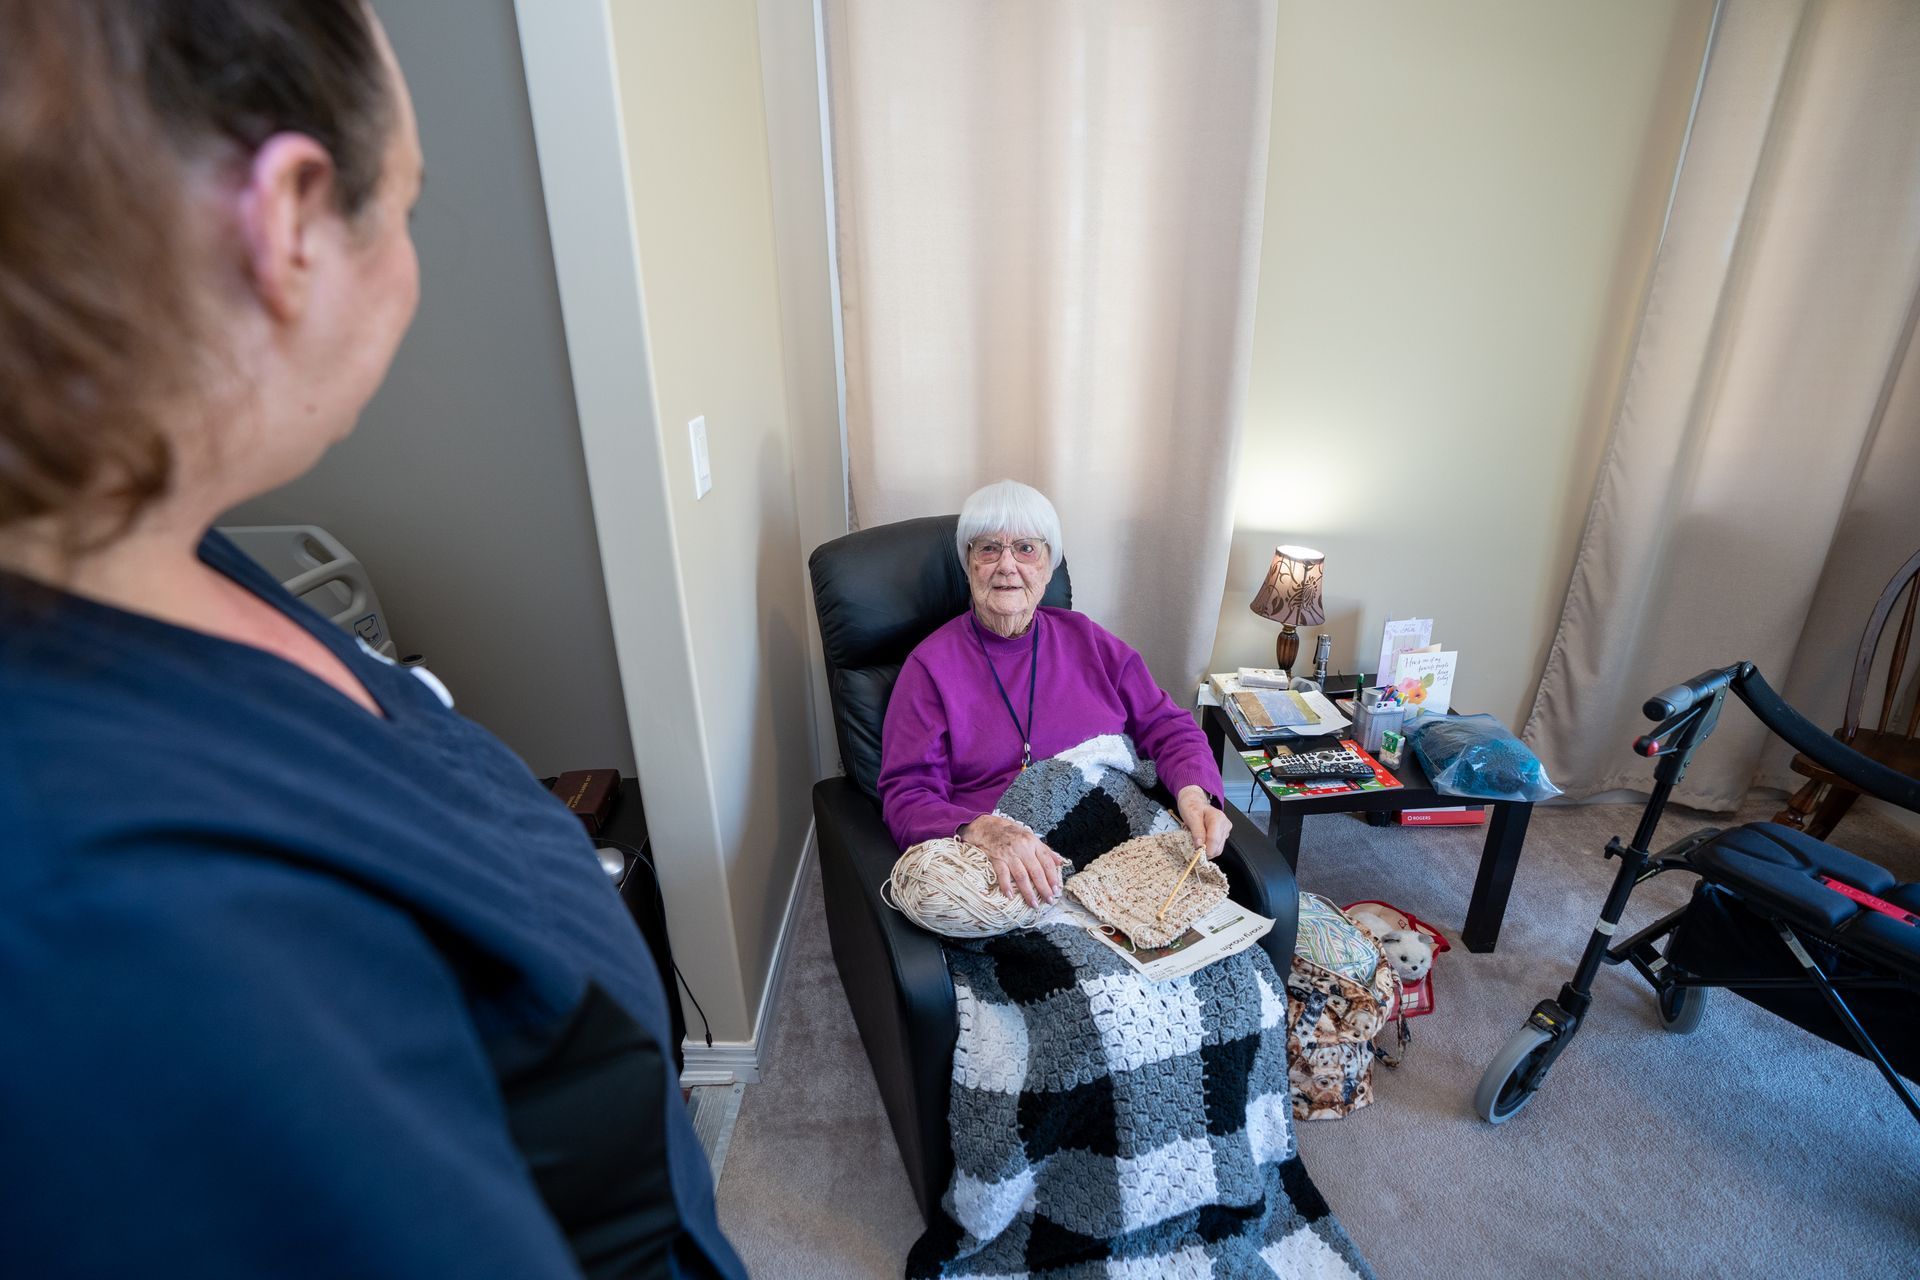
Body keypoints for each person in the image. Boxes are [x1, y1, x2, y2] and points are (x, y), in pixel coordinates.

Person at [0, 3, 745, 1277]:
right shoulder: (110, 922)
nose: (411, 254)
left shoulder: (162, 545)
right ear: (291, 222)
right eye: (402, 202)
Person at [877, 479, 1230, 903]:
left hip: (1122, 848)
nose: (1007, 565)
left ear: (1048, 566)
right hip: (1013, 873)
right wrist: (982, 829)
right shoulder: (929, 669)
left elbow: (1168, 727)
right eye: (988, 548)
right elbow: (907, 796)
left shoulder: (1090, 641)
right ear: (968, 564)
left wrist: (1194, 794)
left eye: (1026, 549)